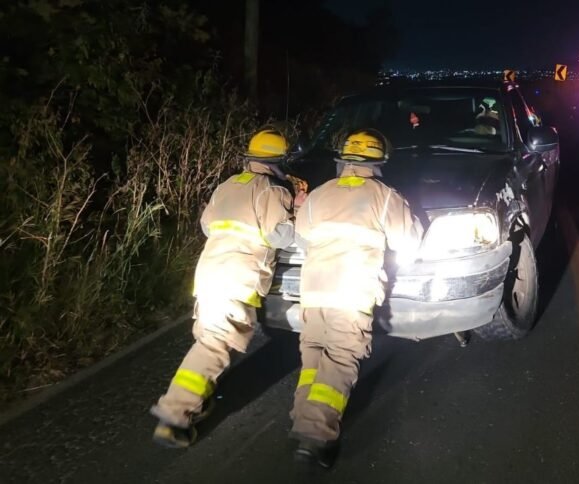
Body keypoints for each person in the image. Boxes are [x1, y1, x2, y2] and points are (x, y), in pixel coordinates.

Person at [150, 129, 306, 447]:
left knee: (209, 340)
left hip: (209, 275)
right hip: (239, 279)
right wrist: (297, 211)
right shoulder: (272, 191)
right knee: (214, 348)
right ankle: (174, 413)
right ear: (279, 162)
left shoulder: (227, 185)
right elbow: (281, 237)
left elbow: (208, 226)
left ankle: (195, 402)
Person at [289, 128, 423, 468]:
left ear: (343, 160)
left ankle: (303, 419)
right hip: (351, 292)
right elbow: (409, 243)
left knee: (313, 360)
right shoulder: (386, 197)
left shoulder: (319, 193)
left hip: (313, 290)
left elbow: (302, 236)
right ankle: (315, 436)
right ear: (379, 163)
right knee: (342, 358)